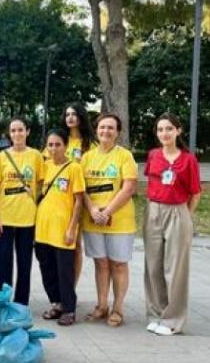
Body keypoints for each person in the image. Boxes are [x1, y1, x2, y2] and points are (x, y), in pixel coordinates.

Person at [143, 113, 201, 336]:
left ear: (178, 131)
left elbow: (195, 193)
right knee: (153, 265)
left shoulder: (188, 160)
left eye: (168, 129)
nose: (164, 134)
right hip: (153, 209)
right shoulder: (153, 155)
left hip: (177, 210)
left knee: (175, 267)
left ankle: (173, 319)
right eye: (160, 130)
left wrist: (185, 215)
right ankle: (156, 313)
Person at [80, 113, 138, 328]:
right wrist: (93, 208)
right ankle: (102, 305)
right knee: (100, 263)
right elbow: (81, 188)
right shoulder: (87, 157)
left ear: (118, 132)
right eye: (102, 127)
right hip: (93, 218)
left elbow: (129, 187)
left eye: (111, 128)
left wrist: (108, 211)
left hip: (119, 220)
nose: (106, 131)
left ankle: (118, 308)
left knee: (119, 264)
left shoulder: (124, 156)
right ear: (96, 130)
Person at [35, 129, 85, 326]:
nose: (54, 148)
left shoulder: (74, 168)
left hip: (63, 228)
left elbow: (79, 200)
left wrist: (72, 228)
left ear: (65, 146)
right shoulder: (45, 166)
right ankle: (57, 303)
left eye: (58, 144)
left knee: (64, 270)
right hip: (42, 227)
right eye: (50, 145)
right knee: (46, 267)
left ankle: (69, 308)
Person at [0, 118, 43, 305]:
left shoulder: (36, 156)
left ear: (27, 132)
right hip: (5, 217)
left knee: (24, 264)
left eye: (20, 130)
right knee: (1, 263)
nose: (17, 134)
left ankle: (21, 303)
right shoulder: (2, 157)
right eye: (13, 131)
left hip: (27, 218)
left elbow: (41, 184)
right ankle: (1, 300)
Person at [46, 102, 97, 287]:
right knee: (59, 244)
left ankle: (70, 288)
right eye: (67, 114)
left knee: (75, 245)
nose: (70, 118)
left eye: (74, 114)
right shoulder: (59, 139)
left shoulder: (90, 144)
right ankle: (60, 288)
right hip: (59, 200)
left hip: (80, 198)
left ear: (81, 116)